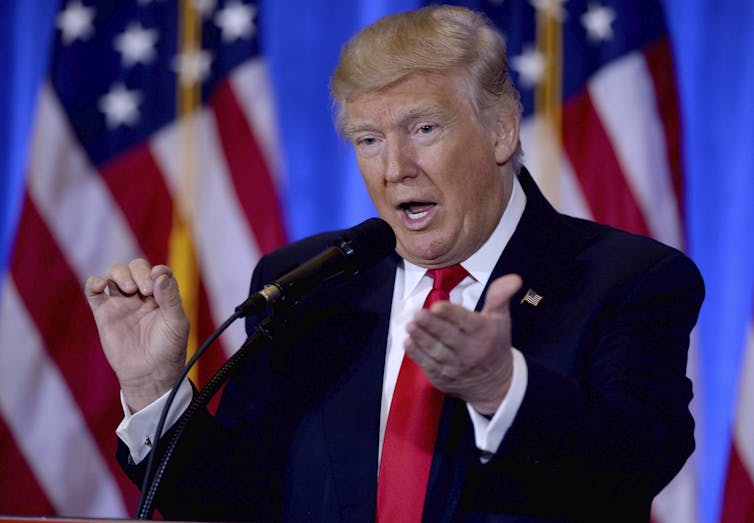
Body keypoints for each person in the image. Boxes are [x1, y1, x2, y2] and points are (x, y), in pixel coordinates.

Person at [85, 5, 704, 522]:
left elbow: (640, 459)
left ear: (501, 131)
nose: (394, 168)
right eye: (369, 140)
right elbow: (236, 504)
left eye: (424, 128)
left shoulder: (626, 278)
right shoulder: (311, 281)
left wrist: (502, 390)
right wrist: (154, 388)